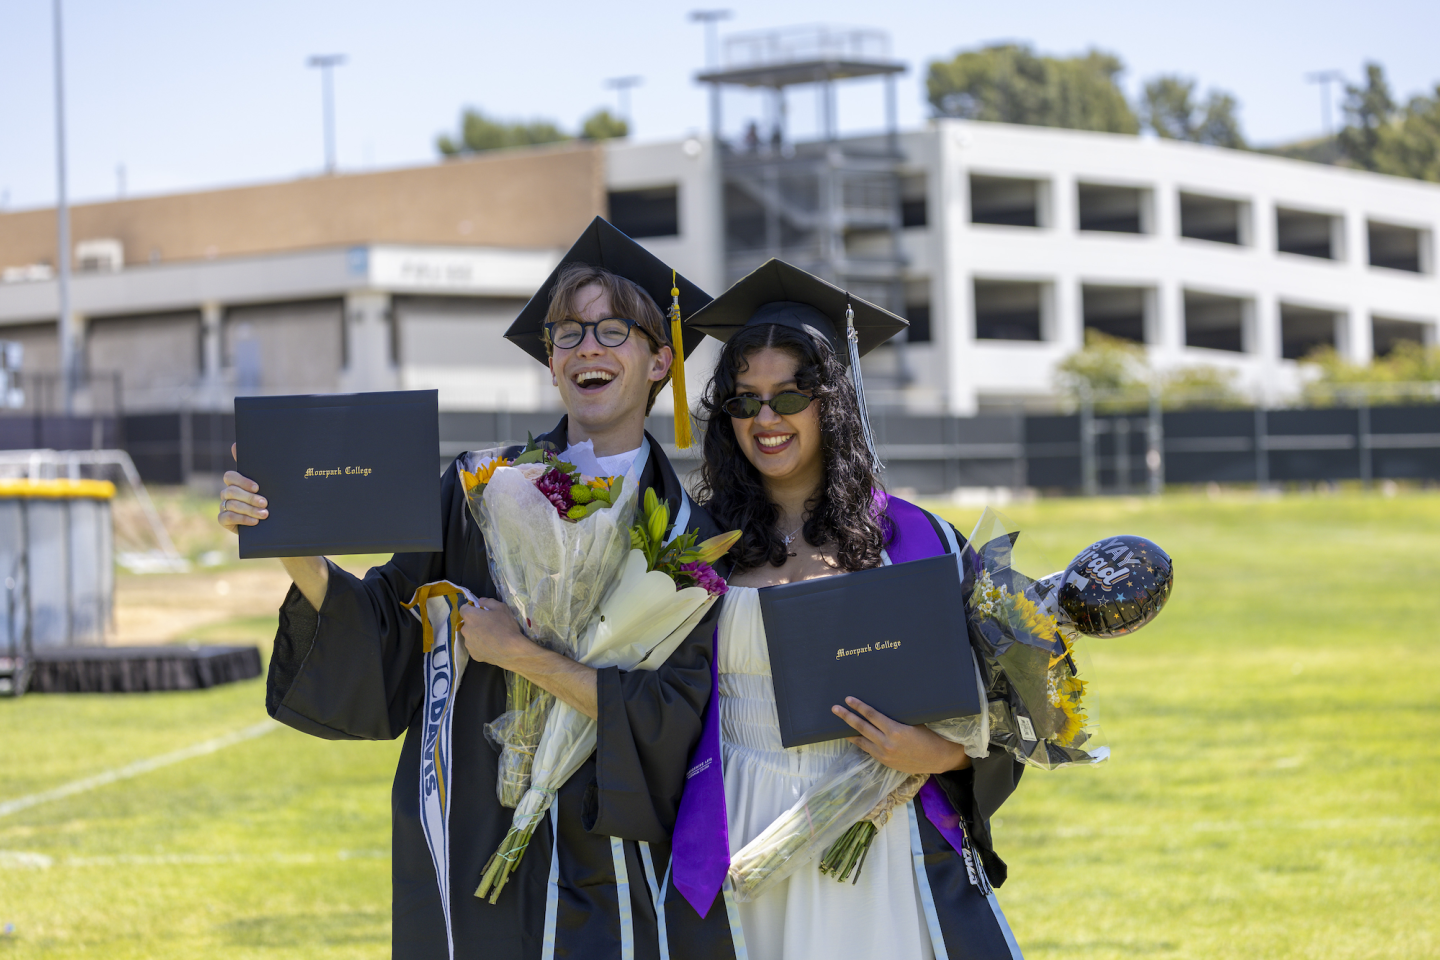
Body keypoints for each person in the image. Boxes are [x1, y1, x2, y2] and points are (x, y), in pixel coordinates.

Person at [217, 217, 729, 960]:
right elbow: (388, 633)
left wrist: (520, 655)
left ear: (660, 361)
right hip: (479, 838)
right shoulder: (481, 493)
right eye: (568, 333)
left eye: (615, 330)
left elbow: (682, 719)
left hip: (615, 854)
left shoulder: (693, 542)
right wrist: (295, 546)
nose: (588, 346)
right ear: (550, 363)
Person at [666, 260, 1027, 959]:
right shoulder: (698, 548)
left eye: (788, 395)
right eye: (744, 401)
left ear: (832, 401)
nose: (765, 419)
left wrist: (940, 753)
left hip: (875, 828)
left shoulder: (920, 541)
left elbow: (1009, 708)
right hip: (737, 823)